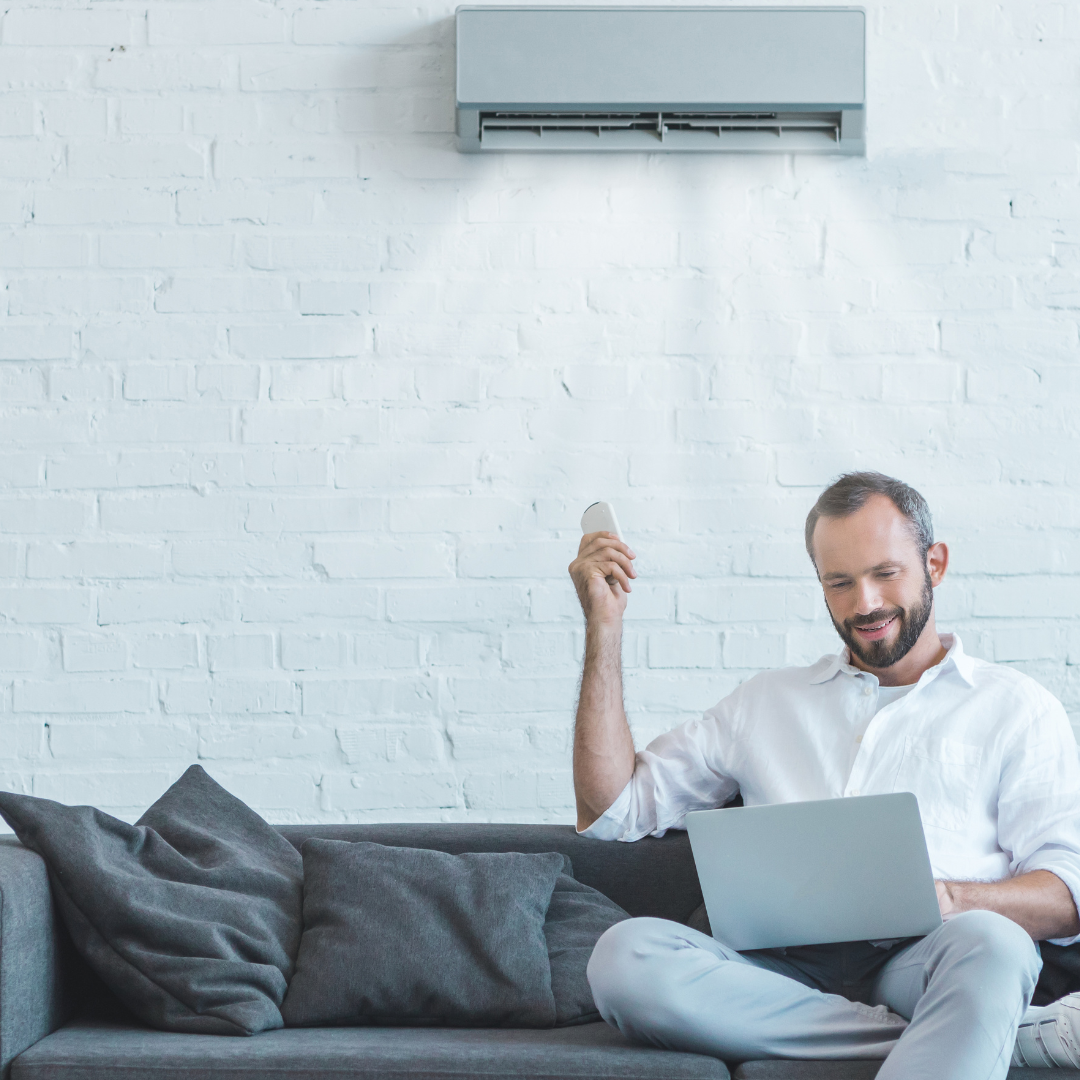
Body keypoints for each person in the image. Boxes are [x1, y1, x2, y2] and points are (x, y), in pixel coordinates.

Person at [567, 472, 1080, 1077]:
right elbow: (611, 810)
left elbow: (1067, 897)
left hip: (927, 961)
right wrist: (605, 623)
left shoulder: (1014, 706)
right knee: (623, 957)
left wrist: (948, 899)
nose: (864, 603)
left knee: (997, 944)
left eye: (885, 573)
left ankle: (963, 1017)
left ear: (934, 564)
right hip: (778, 968)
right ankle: (971, 1034)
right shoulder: (765, 702)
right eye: (840, 583)